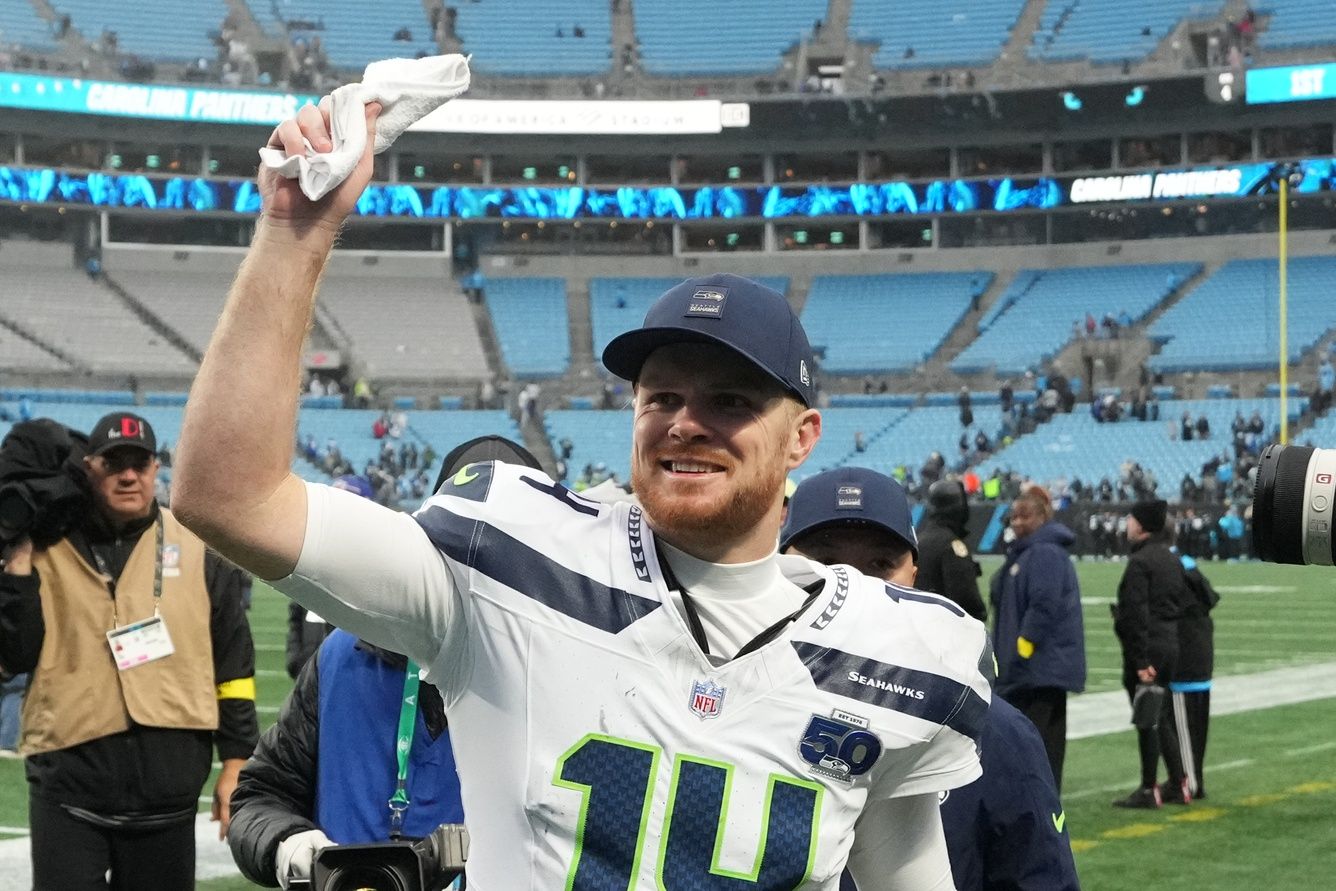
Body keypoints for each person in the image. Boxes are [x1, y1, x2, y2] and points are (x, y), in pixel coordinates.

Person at [172, 104, 992, 889]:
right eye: (662, 397)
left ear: (802, 436)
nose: (686, 424)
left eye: (731, 402)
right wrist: (293, 232)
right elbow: (229, 498)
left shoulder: (897, 651)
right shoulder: (508, 557)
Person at [781, 469, 1080, 891]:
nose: (854, 587)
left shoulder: (994, 731)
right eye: (827, 563)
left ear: (914, 575)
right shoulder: (725, 701)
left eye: (880, 564)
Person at [0, 411, 258, 890]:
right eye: (114, 463)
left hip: (169, 797)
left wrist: (237, 763)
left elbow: (233, 664)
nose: (128, 475)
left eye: (139, 463)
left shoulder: (199, 549)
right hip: (68, 792)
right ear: (89, 468)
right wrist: (14, 566)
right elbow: (13, 657)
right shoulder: (45, 546)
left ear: (156, 469)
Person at [990, 485, 1086, 790]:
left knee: (1037, 743)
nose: (1017, 522)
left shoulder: (1043, 552)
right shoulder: (1028, 551)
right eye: (1014, 516)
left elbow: (1043, 603)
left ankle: (1039, 802)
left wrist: (1024, 647)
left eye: (1025, 516)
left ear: (1042, 517)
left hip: (1038, 670)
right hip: (1035, 670)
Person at [1111, 499, 1192, 808]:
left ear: (1142, 525)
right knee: (1163, 715)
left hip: (1150, 648)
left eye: (1131, 519)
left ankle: (1149, 788)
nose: (1127, 525)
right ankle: (1178, 781)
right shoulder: (1172, 560)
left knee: (1148, 717)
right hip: (1171, 643)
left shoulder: (1140, 562)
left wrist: (1141, 660)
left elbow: (1136, 614)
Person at [1170, 551, 1218, 800]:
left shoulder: (1175, 576)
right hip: (1202, 664)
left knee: (1184, 731)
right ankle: (1193, 778)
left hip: (1185, 668)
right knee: (1197, 731)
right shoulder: (1192, 570)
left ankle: (1189, 784)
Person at [914, 480, 985, 622]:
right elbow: (966, 599)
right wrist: (980, 614)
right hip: (946, 632)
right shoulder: (952, 545)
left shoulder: (919, 540)